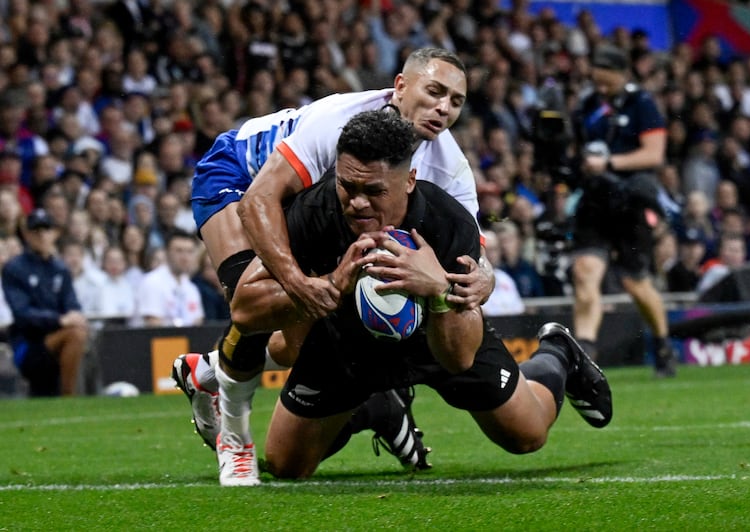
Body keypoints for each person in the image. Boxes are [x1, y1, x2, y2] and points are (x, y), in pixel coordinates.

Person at [230, 110, 611, 484]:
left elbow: (459, 357)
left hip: (437, 340)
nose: (358, 203)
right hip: (344, 345)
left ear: (409, 180)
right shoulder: (313, 211)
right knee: (286, 465)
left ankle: (558, 353)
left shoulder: (448, 223)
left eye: (374, 191)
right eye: (347, 186)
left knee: (527, 436)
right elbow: (245, 312)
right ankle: (377, 408)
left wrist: (438, 292)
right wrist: (330, 286)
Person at [172, 48, 494, 467]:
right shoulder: (340, 121)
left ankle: (209, 371)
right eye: (435, 92)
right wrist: (296, 281)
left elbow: (474, 251)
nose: (443, 108)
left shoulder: (450, 167)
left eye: (455, 101)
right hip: (239, 175)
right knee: (258, 307)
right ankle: (235, 436)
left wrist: (484, 278)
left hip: (308, 201)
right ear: (400, 86)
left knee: (293, 346)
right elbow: (260, 199)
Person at [570, 43, 677, 378]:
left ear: (622, 74)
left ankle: (662, 343)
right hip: (594, 201)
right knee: (585, 271)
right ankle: (585, 353)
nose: (601, 89)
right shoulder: (588, 105)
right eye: (596, 82)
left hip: (629, 201)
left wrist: (609, 163)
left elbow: (654, 154)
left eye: (607, 83)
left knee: (635, 283)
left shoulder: (642, 104)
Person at [2, 209, 89, 396]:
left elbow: (72, 304)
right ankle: (68, 398)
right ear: (26, 234)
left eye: (46, 230)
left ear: (54, 234)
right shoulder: (15, 269)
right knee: (75, 334)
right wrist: (59, 320)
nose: (41, 236)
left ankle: (65, 393)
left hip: (58, 337)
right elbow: (22, 314)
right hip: (27, 344)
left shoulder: (60, 269)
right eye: (36, 231)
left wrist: (74, 316)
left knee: (78, 330)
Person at [137, 230, 204, 327]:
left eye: (190, 252)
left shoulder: (191, 288)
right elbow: (153, 325)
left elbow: (198, 321)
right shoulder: (152, 282)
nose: (185, 257)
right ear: (166, 253)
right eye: (179, 251)